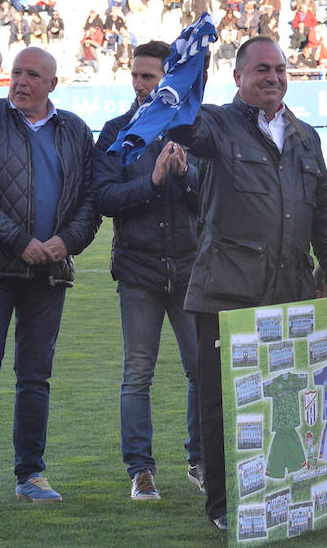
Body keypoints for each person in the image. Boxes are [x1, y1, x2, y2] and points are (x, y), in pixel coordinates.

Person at [167, 36, 327, 531]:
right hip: (225, 291)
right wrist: (190, 65)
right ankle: (225, 506)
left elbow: (323, 211)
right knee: (222, 403)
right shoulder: (214, 124)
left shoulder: (304, 134)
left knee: (283, 400)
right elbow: (179, 119)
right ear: (238, 77)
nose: (272, 77)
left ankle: (283, 495)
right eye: (260, 70)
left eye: (279, 68)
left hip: (290, 292)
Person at [0, 47, 100, 508]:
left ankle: (30, 474)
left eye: (33, 75)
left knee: (35, 377)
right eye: (16, 73)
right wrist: (19, 241)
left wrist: (65, 243)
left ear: (53, 83)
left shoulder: (74, 130)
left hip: (49, 273)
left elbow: (90, 202)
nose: (22, 81)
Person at [92, 41, 203, 502]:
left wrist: (185, 176)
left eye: (150, 77)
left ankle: (201, 461)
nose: (141, 85)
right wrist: (152, 181)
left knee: (201, 370)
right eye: (136, 76)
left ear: (168, 80)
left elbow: (214, 196)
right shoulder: (117, 132)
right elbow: (102, 198)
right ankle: (140, 470)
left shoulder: (195, 129)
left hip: (191, 270)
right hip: (138, 271)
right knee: (138, 373)